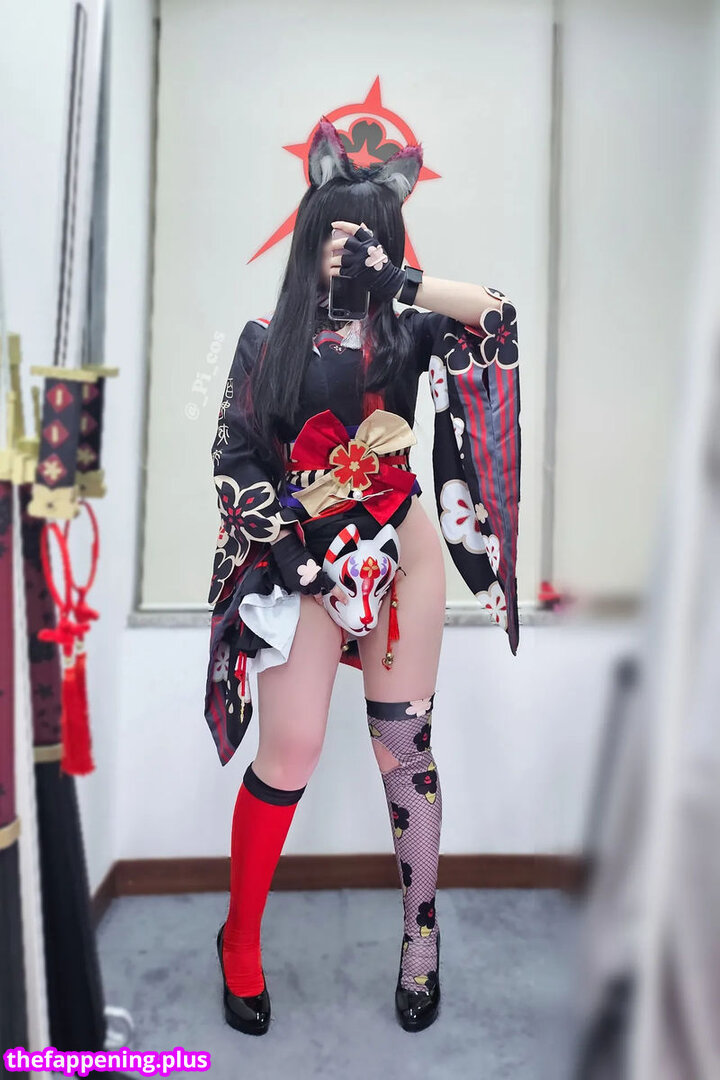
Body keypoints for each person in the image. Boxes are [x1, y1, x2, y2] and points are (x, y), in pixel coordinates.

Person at [205, 117, 522, 1035]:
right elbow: (234, 454)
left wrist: (402, 281)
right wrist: (292, 556)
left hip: (400, 551)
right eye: (337, 232)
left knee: (403, 752)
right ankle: (240, 941)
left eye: (369, 235)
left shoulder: (411, 329)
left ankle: (422, 944)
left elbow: (497, 318)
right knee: (292, 747)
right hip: (300, 552)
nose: (350, 249)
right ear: (308, 233)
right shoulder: (265, 337)